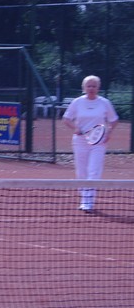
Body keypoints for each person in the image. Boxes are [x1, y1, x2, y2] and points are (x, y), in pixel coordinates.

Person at [62, 75, 118, 212]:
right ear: (84, 88)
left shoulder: (104, 103)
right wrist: (75, 128)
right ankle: (84, 198)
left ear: (98, 88)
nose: (91, 88)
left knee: (94, 171)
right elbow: (66, 119)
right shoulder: (77, 102)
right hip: (80, 141)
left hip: (98, 142)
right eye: (89, 86)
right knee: (81, 172)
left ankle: (88, 203)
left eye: (94, 86)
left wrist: (109, 132)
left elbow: (114, 119)